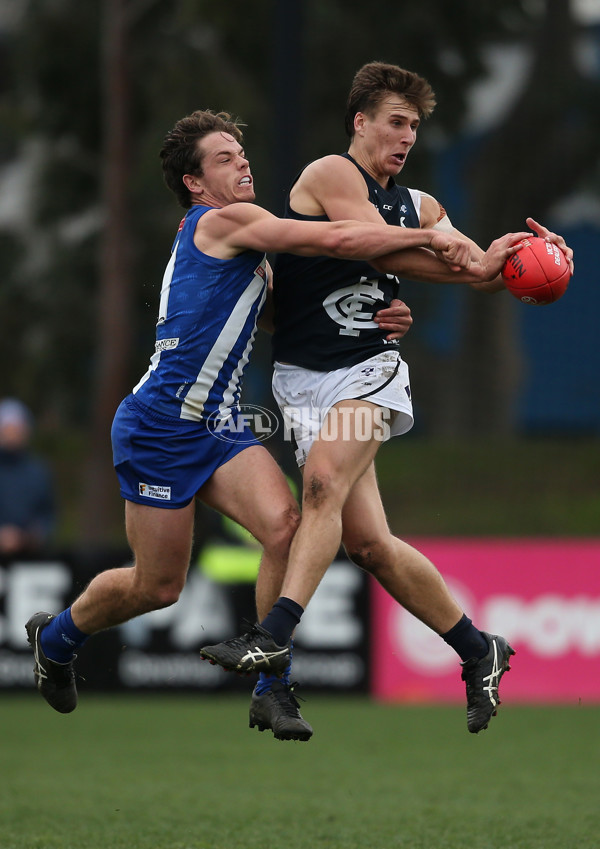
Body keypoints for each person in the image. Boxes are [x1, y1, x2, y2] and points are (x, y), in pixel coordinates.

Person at [25, 108, 499, 737]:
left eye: (241, 153)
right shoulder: (225, 221)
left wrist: (379, 310)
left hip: (220, 426)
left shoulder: (250, 244)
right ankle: (56, 638)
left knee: (286, 527)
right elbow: (335, 239)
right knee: (156, 586)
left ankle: (273, 687)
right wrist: (430, 237)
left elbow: (290, 314)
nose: (242, 162)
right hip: (159, 425)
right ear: (195, 184)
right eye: (224, 158)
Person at [199, 62, 574, 735]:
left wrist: (517, 259)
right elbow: (370, 243)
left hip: (368, 370)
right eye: (395, 122)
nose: (405, 136)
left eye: (414, 126)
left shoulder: (423, 205)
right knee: (368, 544)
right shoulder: (331, 175)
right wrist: (446, 246)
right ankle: (477, 646)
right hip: (301, 378)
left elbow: (467, 268)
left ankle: (272, 638)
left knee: (319, 488)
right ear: (361, 122)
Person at [0, 398, 56, 557]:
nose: (12, 433)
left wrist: (33, 536)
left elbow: (48, 514)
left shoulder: (39, 471)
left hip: (32, 559)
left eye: (17, 428)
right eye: (7, 428)